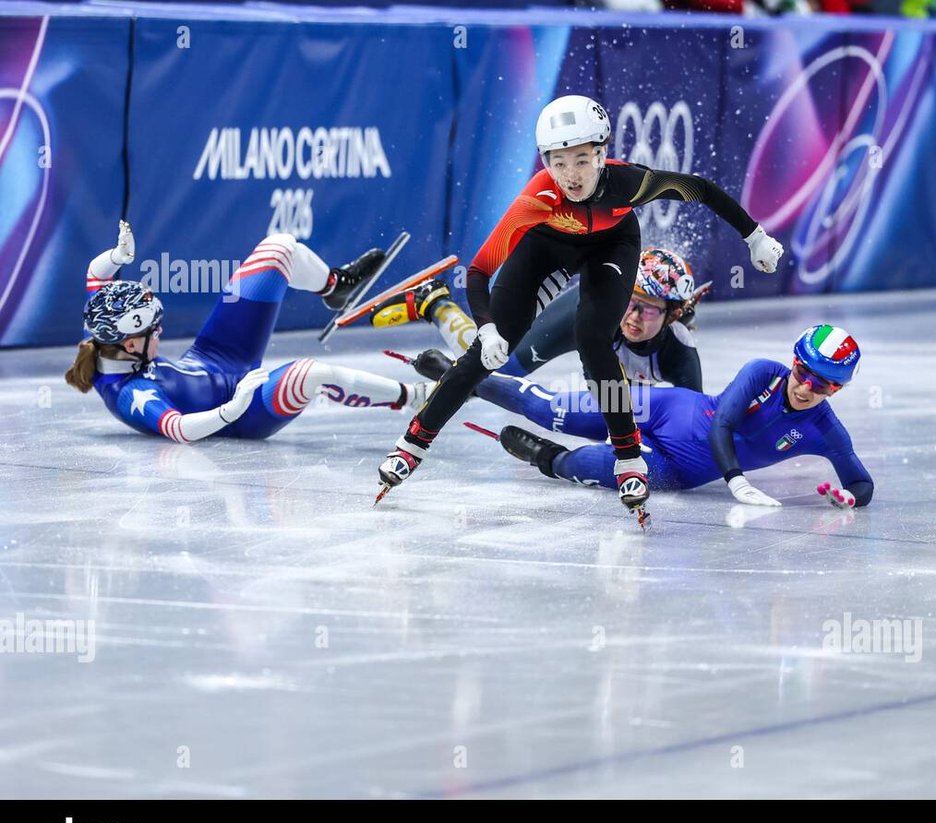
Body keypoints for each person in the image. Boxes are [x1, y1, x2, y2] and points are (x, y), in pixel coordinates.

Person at [377, 94, 784, 513]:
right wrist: (486, 326)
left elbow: (700, 189)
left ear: (602, 154)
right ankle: (412, 444)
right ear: (545, 162)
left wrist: (755, 237)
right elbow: (479, 271)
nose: (570, 175)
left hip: (611, 247)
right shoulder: (537, 198)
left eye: (582, 160)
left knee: (592, 338)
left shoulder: (630, 183)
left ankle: (628, 458)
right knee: (484, 356)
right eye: (558, 162)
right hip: (546, 250)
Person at [410, 324, 873, 508]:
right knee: (552, 409)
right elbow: (722, 426)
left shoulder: (825, 430)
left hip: (678, 468)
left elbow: (862, 483)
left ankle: (547, 459)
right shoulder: (762, 373)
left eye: (824, 384)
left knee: (591, 464)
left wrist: (851, 499)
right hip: (665, 406)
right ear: (792, 363)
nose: (807, 387)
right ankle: (465, 376)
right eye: (803, 372)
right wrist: (736, 480)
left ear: (839, 389)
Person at [65, 220, 430, 442]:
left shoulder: (103, 328)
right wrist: (231, 409)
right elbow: (179, 429)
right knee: (311, 373)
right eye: (153, 328)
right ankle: (415, 396)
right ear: (131, 343)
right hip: (244, 410)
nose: (160, 331)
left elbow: (95, 276)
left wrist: (118, 257)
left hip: (214, 355)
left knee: (279, 247)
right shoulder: (131, 395)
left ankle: (335, 288)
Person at [376, 247, 705, 391]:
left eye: (647, 309)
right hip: (581, 310)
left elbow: (693, 423)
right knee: (497, 364)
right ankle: (434, 302)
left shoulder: (680, 351)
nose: (633, 316)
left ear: (672, 314)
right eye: (629, 301)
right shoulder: (600, 313)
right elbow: (602, 395)